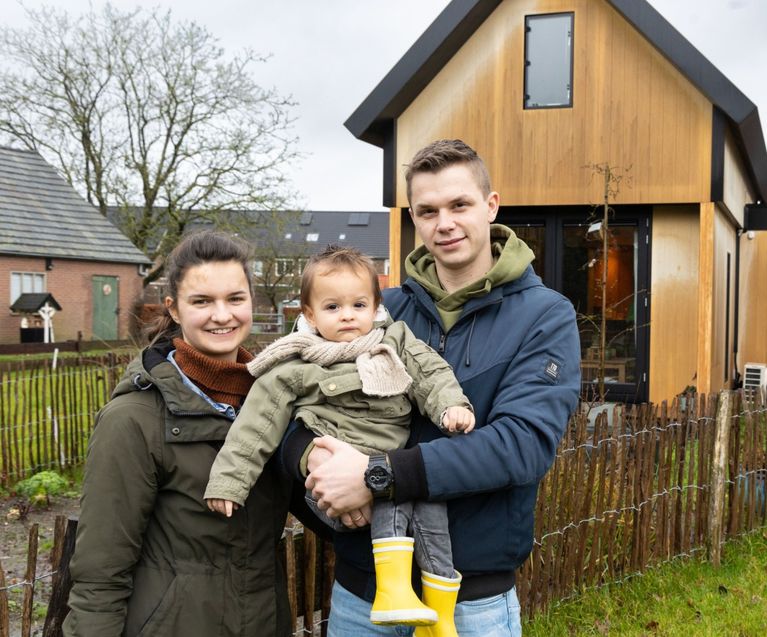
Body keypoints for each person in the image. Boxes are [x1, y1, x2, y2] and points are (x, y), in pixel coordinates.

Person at [287, 139, 582, 637]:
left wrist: (378, 474)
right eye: (427, 210)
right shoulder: (375, 311)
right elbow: (287, 399)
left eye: (459, 205)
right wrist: (311, 457)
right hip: (364, 594)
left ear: (490, 206)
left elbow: (522, 445)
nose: (444, 223)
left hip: (472, 601)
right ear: (414, 219)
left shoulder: (545, 316)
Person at [63, 231, 327, 636]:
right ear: (174, 308)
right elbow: (100, 571)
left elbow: (323, 508)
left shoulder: (274, 406)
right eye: (202, 301)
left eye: (235, 299)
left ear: (251, 302)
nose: (222, 316)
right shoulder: (133, 420)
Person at [204, 245, 475, 628]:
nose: (347, 315)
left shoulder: (394, 341)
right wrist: (230, 482)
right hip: (331, 484)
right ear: (310, 314)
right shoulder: (297, 366)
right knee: (394, 496)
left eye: (358, 305)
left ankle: (439, 614)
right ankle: (393, 591)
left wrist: (450, 407)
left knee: (431, 505)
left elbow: (431, 373)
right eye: (332, 308)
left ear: (376, 307)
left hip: (386, 466)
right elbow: (256, 424)